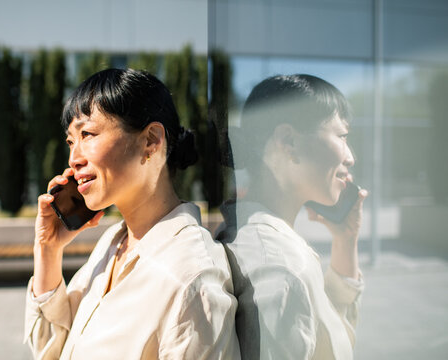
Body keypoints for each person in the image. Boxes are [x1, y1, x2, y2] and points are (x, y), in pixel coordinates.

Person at [24, 68, 240, 359]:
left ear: (151, 140)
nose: (74, 158)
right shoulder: (114, 244)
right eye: (71, 141)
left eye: (87, 134)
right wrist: (48, 250)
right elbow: (50, 349)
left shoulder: (191, 277)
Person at [220, 74, 367, 359]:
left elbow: (321, 334)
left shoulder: (251, 239)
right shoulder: (282, 270)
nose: (350, 157)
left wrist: (345, 241)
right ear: (288, 141)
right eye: (342, 136)